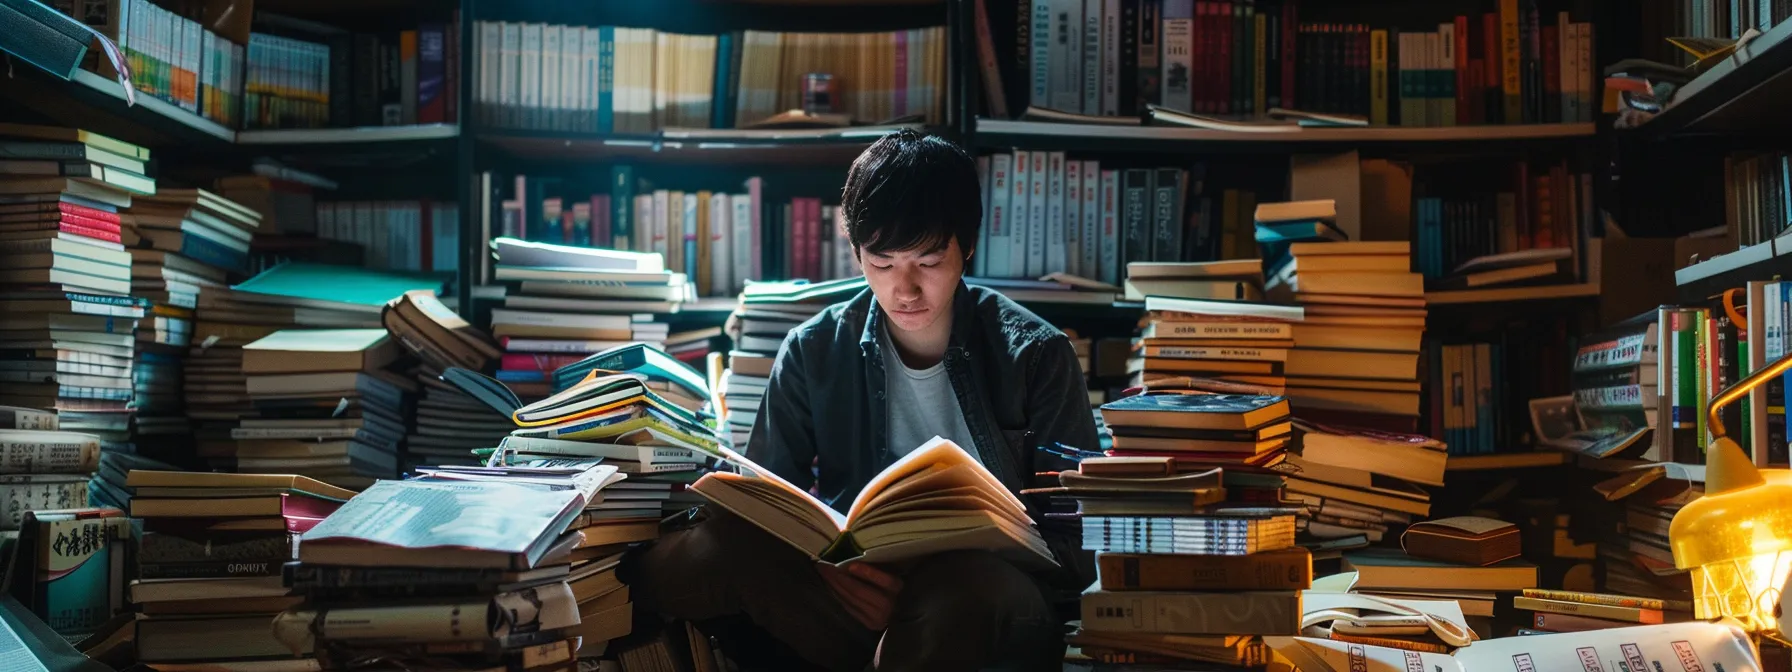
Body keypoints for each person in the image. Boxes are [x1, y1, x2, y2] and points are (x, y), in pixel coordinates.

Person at [623, 130, 1100, 671]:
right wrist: (833, 565)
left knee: (960, 592)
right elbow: (765, 510)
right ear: (855, 253)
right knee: (712, 548)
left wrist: (952, 563)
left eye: (927, 260)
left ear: (966, 246)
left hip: (987, 606)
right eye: (882, 262)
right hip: (851, 599)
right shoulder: (813, 350)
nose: (906, 289)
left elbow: (1078, 550)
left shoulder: (1037, 356)